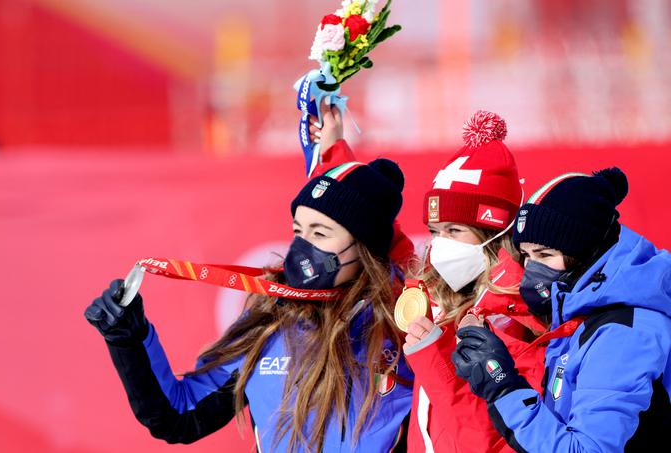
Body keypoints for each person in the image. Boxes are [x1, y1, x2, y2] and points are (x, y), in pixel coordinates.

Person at [84, 157, 413, 452]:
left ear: (365, 246)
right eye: (298, 231)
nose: (301, 247)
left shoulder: (406, 324)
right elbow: (177, 415)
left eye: (320, 233)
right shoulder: (268, 326)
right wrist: (128, 336)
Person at [453, 168, 671, 451]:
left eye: (545, 255)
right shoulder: (583, 316)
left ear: (587, 252)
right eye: (527, 256)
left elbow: (583, 448)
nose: (531, 268)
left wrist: (501, 383)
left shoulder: (623, 333)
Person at [401, 111, 547, 453]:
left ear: (493, 233)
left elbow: (491, 438)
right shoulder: (447, 293)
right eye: (435, 231)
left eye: (454, 231)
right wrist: (330, 151)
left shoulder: (519, 317)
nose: (439, 244)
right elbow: (364, 230)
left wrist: (436, 360)